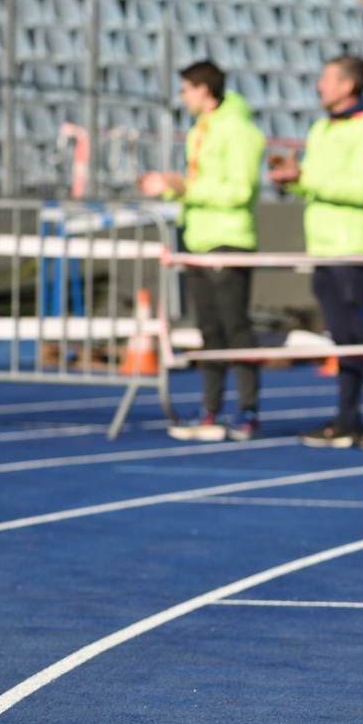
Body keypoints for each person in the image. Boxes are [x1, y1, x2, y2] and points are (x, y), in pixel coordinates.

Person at [268, 55, 363, 450]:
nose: (319, 86)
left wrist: (305, 179)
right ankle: (346, 419)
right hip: (322, 248)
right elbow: (315, 183)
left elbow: (359, 188)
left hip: (353, 248)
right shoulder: (322, 128)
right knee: (342, 339)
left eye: (326, 79)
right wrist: (291, 181)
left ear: (348, 85)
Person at [140, 61, 266, 442]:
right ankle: (210, 409)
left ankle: (248, 411)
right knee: (209, 331)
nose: (182, 98)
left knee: (236, 329)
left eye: (185, 90)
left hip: (228, 240)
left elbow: (240, 191)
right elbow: (199, 185)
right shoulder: (201, 129)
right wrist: (167, 186)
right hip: (197, 240)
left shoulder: (240, 130)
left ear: (203, 89)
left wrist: (184, 187)